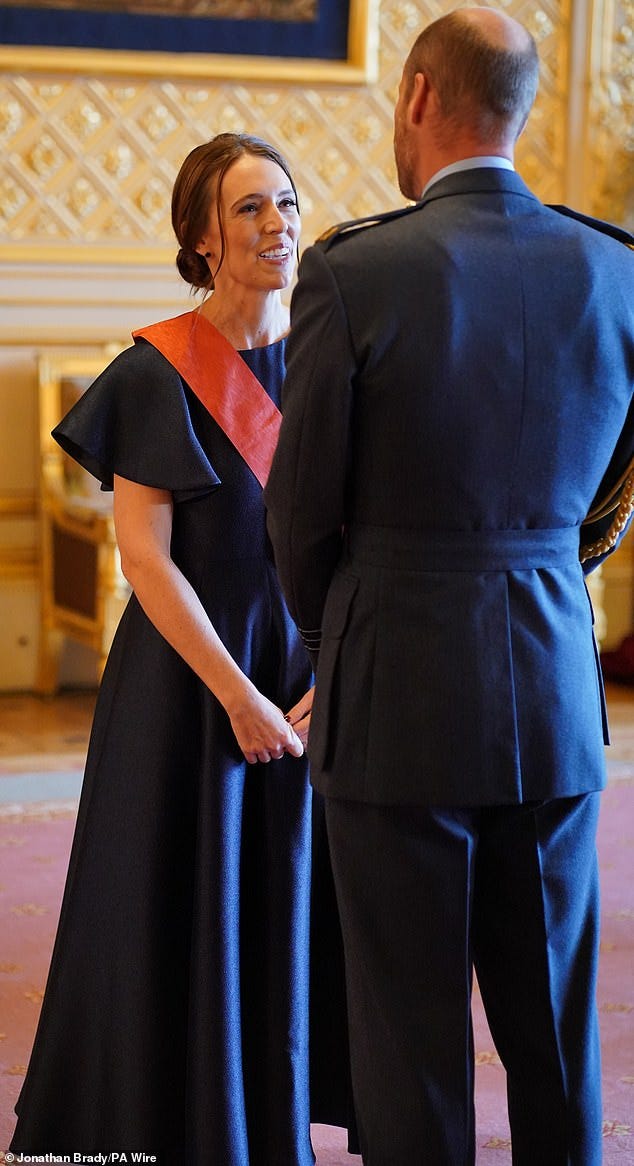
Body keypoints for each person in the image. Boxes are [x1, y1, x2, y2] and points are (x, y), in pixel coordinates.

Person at [265, 9, 634, 1165]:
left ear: (417, 95)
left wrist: (342, 641)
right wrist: (545, 570)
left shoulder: (351, 270)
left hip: (395, 703)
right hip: (552, 694)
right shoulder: (615, 269)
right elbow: (610, 493)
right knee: (557, 1039)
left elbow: (298, 515)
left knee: (410, 1040)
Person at [11, 132, 354, 1164]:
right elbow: (145, 562)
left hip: (306, 679)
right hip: (188, 678)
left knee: (288, 906)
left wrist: (328, 677)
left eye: (286, 203)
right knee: (174, 902)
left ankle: (267, 1114)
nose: (277, 224)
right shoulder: (156, 371)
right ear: (201, 238)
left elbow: (373, 541)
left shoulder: (341, 362)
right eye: (248, 208)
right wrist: (238, 696)